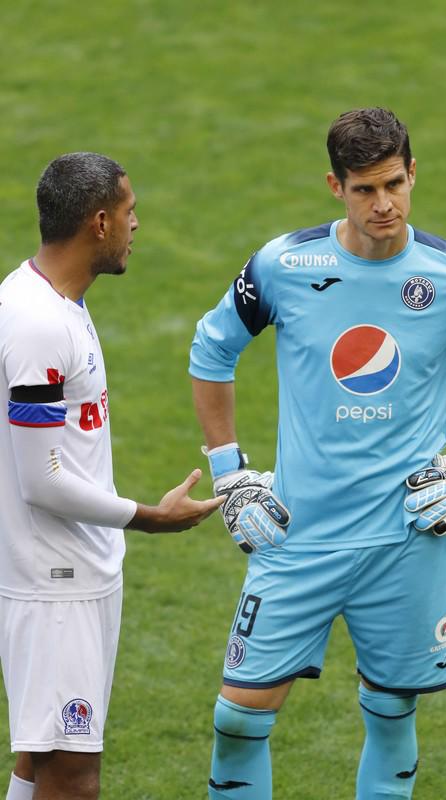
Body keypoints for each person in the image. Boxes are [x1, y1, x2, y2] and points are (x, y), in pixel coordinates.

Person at [189, 108, 446, 799]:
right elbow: (211, 349)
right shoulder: (284, 265)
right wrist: (230, 478)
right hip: (296, 535)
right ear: (334, 186)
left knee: (390, 712)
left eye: (394, 184)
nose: (384, 204)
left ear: (412, 174)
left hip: (402, 541)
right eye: (364, 190)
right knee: (237, 716)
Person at [0, 152, 223, 800]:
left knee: (39, 760)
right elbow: (39, 478)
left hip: (71, 576)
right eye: (129, 212)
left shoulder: (51, 303)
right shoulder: (39, 325)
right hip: (55, 584)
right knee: (72, 780)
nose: (136, 224)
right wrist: (147, 517)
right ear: (99, 222)